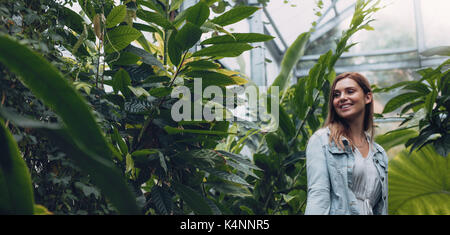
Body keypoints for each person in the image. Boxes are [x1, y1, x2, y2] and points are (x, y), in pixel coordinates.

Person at [304, 72, 388, 215]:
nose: (342, 98)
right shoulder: (322, 141)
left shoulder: (379, 153)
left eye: (350, 91)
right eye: (336, 95)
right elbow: (318, 196)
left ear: (367, 97)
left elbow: (381, 208)